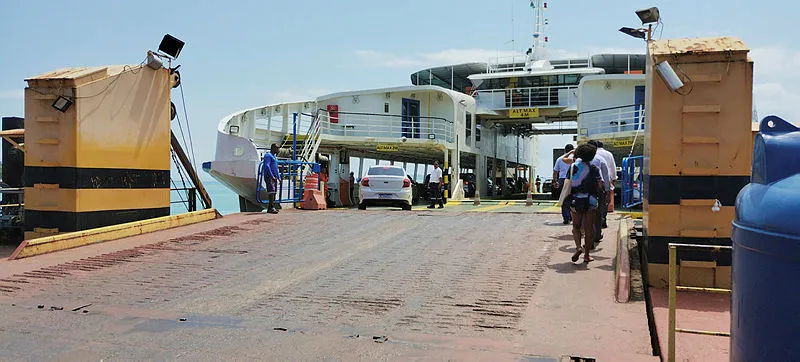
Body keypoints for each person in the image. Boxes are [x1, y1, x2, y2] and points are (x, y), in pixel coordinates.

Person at [566, 144, 603, 263]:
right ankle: (587, 255)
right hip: (591, 201)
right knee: (588, 229)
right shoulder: (594, 168)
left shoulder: (573, 167)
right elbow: (600, 185)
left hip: (575, 200)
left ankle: (578, 247)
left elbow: (568, 183)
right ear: (592, 156)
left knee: (576, 227)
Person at [591, 140, 617, 223]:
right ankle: (603, 219)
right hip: (604, 181)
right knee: (603, 201)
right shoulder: (608, 154)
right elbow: (612, 167)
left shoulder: (591, 155)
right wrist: (613, 179)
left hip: (590, 181)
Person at [553, 144, 574, 224]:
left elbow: (555, 172)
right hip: (573, 179)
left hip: (562, 179)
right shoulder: (576, 158)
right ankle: (574, 217)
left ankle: (566, 218)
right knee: (574, 198)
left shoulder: (560, 159)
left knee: (564, 199)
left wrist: (555, 181)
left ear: (565, 150)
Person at [262, 143, 281, 214]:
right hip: (269, 176)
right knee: (271, 192)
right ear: (273, 148)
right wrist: (271, 175)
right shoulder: (268, 155)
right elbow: (267, 166)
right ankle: (271, 208)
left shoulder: (274, 157)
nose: (278, 150)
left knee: (274, 192)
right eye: (277, 148)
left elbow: (276, 168)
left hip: (274, 177)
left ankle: (271, 207)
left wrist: (279, 177)